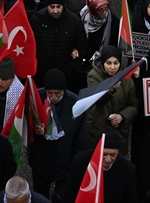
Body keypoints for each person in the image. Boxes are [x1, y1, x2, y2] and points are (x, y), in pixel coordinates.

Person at [28, 68, 87, 202]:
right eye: (50, 93)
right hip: (41, 162)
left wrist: (75, 165)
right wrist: (35, 131)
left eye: (57, 93)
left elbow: (80, 139)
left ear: (64, 91)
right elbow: (26, 127)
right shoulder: (35, 99)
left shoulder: (76, 105)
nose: (53, 97)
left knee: (63, 198)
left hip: (65, 163)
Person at [64, 127, 138, 203]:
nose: (108, 159)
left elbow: (131, 199)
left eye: (113, 155)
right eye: (104, 154)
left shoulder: (127, 169)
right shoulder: (80, 161)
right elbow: (69, 193)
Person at [83, 45, 138, 147]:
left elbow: (133, 105)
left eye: (116, 63)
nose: (112, 67)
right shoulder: (93, 76)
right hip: (97, 127)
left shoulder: (126, 78)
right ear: (103, 62)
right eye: (108, 63)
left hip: (119, 131)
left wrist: (122, 116)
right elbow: (97, 100)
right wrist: (111, 89)